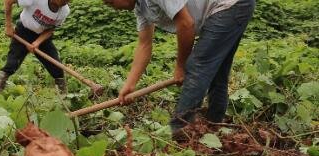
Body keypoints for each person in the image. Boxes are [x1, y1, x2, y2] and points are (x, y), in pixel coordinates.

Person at [103, 0, 256, 134]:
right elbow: (144, 45)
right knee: (216, 71)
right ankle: (214, 125)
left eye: (110, 2)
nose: (112, 7)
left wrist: (181, 66)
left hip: (231, 5)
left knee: (197, 66)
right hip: (229, 7)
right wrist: (130, 85)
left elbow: (186, 23)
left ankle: (180, 131)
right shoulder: (141, 7)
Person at [0, 0, 71, 94]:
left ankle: (64, 96)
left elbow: (51, 29)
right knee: (12, 64)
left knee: (56, 67)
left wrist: (37, 42)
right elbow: (8, 1)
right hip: (23, 31)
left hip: (42, 37)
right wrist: (8, 25)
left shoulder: (64, 11)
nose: (65, 2)